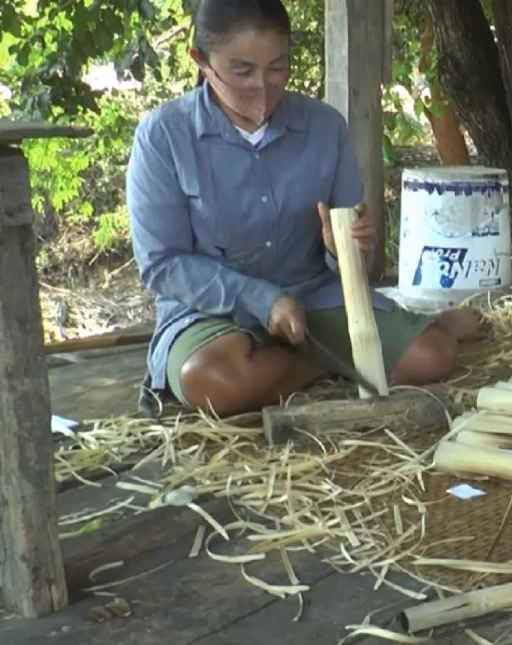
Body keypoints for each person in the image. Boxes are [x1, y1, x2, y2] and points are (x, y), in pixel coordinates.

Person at [127, 0, 485, 417]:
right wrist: (263, 300)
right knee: (211, 384)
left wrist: (344, 251)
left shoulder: (325, 126)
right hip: (211, 312)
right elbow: (163, 264)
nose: (262, 87)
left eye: (278, 68)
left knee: (431, 358)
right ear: (201, 61)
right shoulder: (163, 137)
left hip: (312, 297)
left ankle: (419, 328)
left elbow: (359, 269)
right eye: (242, 71)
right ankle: (325, 362)